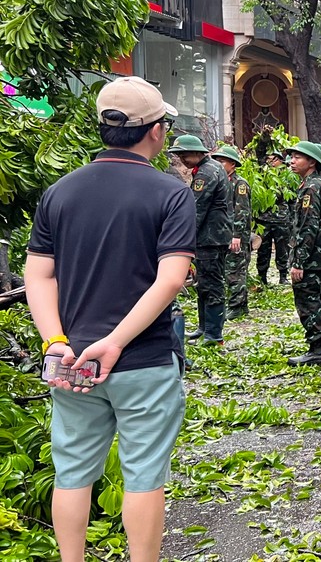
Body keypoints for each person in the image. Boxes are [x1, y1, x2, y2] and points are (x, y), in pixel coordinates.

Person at [26, 76, 192, 562]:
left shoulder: (60, 191)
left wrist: (54, 341)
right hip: (143, 360)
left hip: (72, 361)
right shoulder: (170, 193)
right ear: (157, 131)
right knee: (144, 475)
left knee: (72, 472)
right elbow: (171, 279)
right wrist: (116, 341)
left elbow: (38, 276)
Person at [168, 134, 230, 345]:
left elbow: (196, 210)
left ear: (198, 153)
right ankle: (205, 327)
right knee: (203, 284)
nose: (182, 159)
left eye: (184, 155)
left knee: (211, 285)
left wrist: (183, 240)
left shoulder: (206, 173)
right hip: (211, 236)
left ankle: (214, 334)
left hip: (210, 238)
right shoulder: (211, 167)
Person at [286, 141, 321, 366]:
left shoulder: (311, 187)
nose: (292, 161)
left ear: (311, 162)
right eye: (292, 157)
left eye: (298, 157)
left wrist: (298, 261)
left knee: (308, 301)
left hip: (311, 256)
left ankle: (316, 349)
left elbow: (308, 227)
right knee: (317, 298)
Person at [212, 146, 252, 321]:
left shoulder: (239, 184)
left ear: (233, 164)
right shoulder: (221, 182)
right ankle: (239, 305)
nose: (218, 165)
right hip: (223, 234)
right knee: (228, 270)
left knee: (235, 270)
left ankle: (237, 306)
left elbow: (241, 211)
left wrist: (236, 235)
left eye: (222, 161)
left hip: (236, 235)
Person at [256, 149, 293, 286]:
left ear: (280, 161)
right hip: (263, 219)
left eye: (274, 159)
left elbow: (292, 199)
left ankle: (283, 276)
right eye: (268, 159)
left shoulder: (287, 176)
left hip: (281, 219)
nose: (271, 163)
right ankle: (262, 276)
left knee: (283, 249)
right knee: (263, 249)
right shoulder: (261, 176)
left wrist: (292, 219)